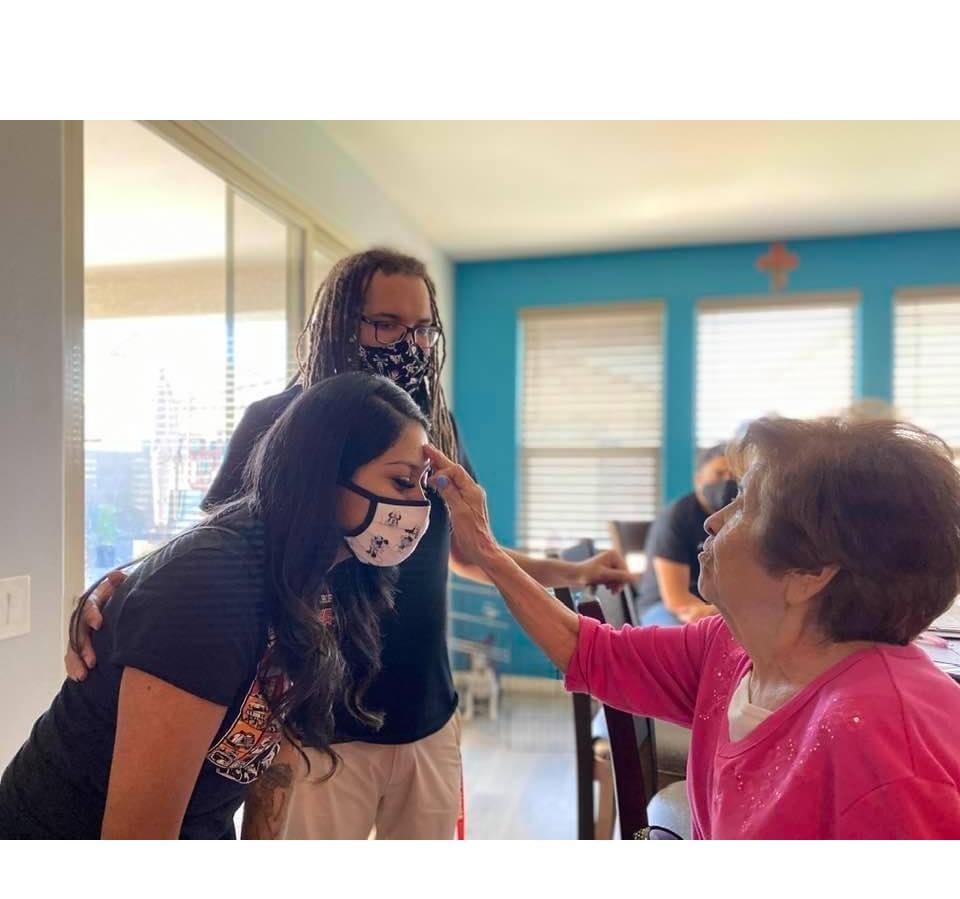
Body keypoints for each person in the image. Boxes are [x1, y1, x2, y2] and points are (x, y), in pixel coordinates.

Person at [67, 248, 633, 840]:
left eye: (420, 329)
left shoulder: (433, 427)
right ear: (340, 322)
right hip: (311, 729)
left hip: (426, 714)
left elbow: (470, 551)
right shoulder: (279, 424)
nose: (406, 343)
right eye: (385, 324)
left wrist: (574, 571)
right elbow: (213, 552)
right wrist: (120, 598)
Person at [425, 416, 960, 839]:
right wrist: (489, 554)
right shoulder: (731, 648)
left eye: (743, 506)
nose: (713, 521)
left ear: (809, 573)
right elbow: (589, 652)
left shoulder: (888, 749)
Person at [0, 373, 433, 839]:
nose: (419, 504)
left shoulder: (322, 580)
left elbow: (276, 744)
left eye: (422, 484)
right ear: (326, 471)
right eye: (403, 481)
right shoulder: (210, 585)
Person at [634, 444, 737, 626]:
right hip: (665, 607)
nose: (727, 481)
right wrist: (716, 617)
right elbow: (676, 599)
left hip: (716, 609)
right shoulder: (677, 517)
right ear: (699, 480)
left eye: (733, 475)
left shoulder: (739, 518)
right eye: (719, 474)